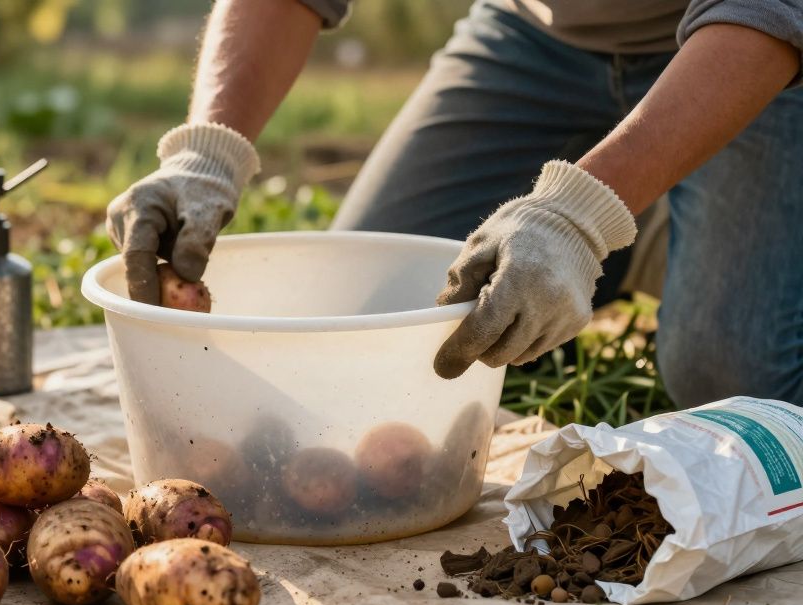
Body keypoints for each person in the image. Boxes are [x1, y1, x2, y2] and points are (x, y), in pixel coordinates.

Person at [106, 0, 803, 408]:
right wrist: (209, 152)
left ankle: (667, 227)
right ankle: (653, 228)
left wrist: (578, 216)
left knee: (731, 381)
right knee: (373, 315)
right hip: (536, 34)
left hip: (757, 44)